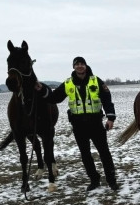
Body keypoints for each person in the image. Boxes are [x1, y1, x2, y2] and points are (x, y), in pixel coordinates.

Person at [35, 56, 119, 191]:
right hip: (79, 126)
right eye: (77, 64)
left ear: (85, 66)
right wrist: (41, 90)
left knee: (104, 153)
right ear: (73, 67)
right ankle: (94, 180)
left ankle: (111, 180)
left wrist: (110, 118)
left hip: (96, 123)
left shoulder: (96, 81)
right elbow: (54, 98)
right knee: (85, 155)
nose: (80, 66)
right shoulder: (68, 83)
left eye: (82, 64)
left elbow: (107, 100)